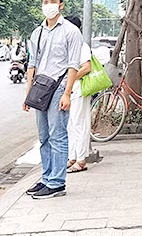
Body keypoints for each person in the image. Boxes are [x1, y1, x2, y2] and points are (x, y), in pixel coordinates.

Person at [24, 0, 85, 200]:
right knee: (43, 137)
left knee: (58, 135)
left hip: (59, 87)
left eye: (52, 1)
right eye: (45, 1)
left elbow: (73, 65)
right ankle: (46, 177)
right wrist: (28, 93)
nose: (48, 5)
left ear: (61, 5)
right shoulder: (37, 32)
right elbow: (32, 64)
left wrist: (67, 93)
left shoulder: (71, 31)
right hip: (40, 88)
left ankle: (57, 183)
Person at [63, 16, 93, 174]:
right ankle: (73, 156)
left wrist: (71, 79)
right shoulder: (70, 45)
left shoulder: (82, 45)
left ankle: (81, 160)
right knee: (71, 124)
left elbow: (86, 67)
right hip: (70, 90)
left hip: (79, 89)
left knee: (79, 123)